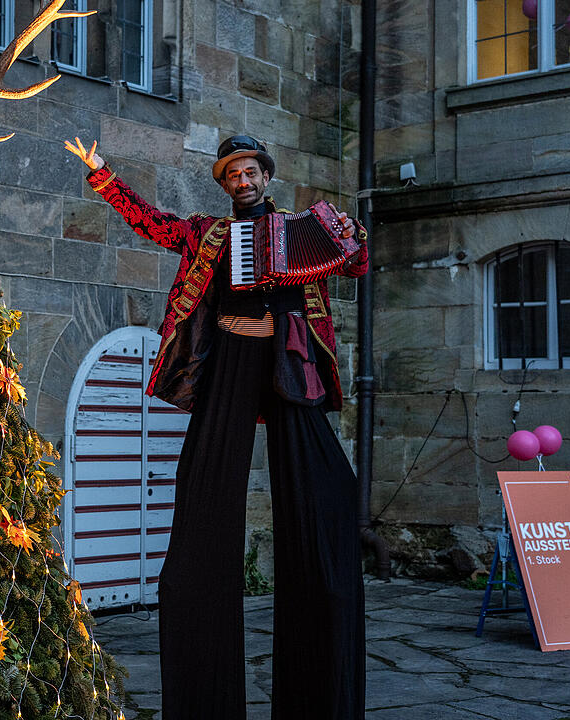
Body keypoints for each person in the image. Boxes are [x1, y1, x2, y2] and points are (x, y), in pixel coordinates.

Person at [65, 134, 367, 720]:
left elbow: (352, 263)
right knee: (203, 493)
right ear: (224, 183)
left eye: (251, 172)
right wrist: (103, 174)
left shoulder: (300, 229)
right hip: (228, 364)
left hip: (286, 364)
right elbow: (152, 224)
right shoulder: (209, 233)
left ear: (266, 177)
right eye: (233, 174)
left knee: (325, 487)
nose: (243, 181)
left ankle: (320, 678)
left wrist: (352, 240)